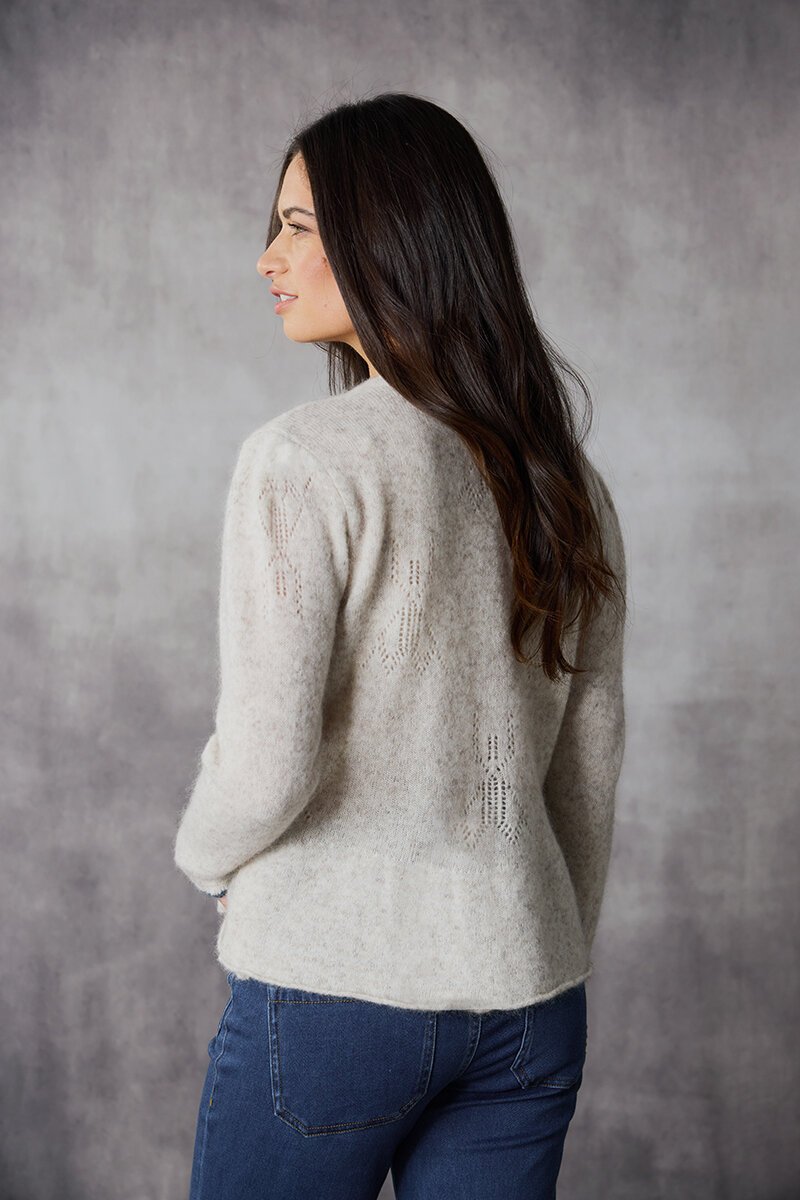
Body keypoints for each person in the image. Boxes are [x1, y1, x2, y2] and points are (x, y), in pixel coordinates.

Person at [174, 91, 628, 1200]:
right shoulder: (562, 479)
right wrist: (541, 937)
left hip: (337, 992)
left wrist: (206, 861)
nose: (267, 257)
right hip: (529, 996)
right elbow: (588, 762)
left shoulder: (305, 459)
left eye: (296, 225)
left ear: (387, 237)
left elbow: (268, 759)